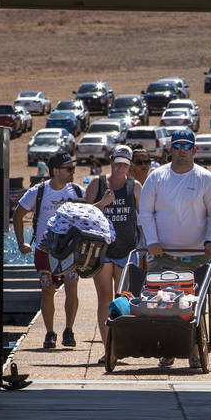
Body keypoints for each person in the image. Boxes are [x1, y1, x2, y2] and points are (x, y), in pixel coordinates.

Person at [136, 128, 211, 369]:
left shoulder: (205, 178)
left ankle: (195, 350)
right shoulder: (156, 177)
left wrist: (209, 241)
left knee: (194, 305)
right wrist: (152, 240)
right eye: (178, 146)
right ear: (170, 149)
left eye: (187, 147)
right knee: (163, 304)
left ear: (194, 150)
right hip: (163, 255)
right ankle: (168, 350)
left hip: (197, 256)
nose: (182, 151)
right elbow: (146, 211)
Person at [12, 151, 85, 350]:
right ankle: (49, 332)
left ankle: (69, 329)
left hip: (70, 250)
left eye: (73, 168)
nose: (72, 172)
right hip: (44, 250)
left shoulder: (78, 191)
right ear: (55, 171)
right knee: (47, 290)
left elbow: (89, 215)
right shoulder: (39, 191)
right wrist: (21, 243)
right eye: (68, 169)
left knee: (71, 285)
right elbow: (18, 215)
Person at [84, 146, 142, 362]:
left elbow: (145, 216)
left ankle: (119, 344)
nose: (120, 168)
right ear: (111, 162)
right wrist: (102, 204)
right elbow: (85, 215)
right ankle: (108, 347)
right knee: (105, 299)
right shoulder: (97, 183)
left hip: (126, 250)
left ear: (129, 165)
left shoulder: (134, 186)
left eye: (125, 164)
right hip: (102, 250)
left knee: (124, 299)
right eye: (117, 163)